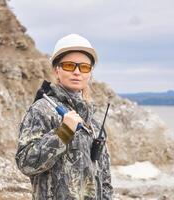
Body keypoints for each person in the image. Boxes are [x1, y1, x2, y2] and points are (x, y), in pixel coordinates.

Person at [15, 34, 113, 200]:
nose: (77, 72)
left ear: (90, 73)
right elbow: (26, 163)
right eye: (69, 65)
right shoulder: (42, 110)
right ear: (56, 70)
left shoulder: (93, 122)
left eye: (84, 67)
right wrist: (63, 132)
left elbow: (104, 179)